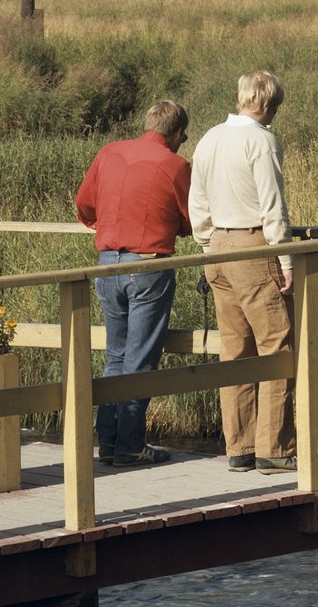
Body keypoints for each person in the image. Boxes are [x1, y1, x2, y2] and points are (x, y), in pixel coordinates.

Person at [74, 99, 194, 466]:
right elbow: (191, 221)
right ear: (174, 133)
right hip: (147, 266)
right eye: (183, 136)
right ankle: (129, 445)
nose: (182, 142)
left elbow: (84, 205)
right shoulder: (175, 165)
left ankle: (108, 442)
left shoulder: (109, 153)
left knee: (115, 356)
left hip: (107, 263)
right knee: (140, 360)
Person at [188, 69, 295, 472]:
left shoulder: (209, 138)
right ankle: (275, 448)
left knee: (235, 350)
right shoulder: (261, 141)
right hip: (253, 246)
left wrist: (206, 245)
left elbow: (197, 203)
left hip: (217, 246)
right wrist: (285, 260)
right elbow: (273, 207)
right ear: (269, 104)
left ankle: (240, 448)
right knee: (276, 346)